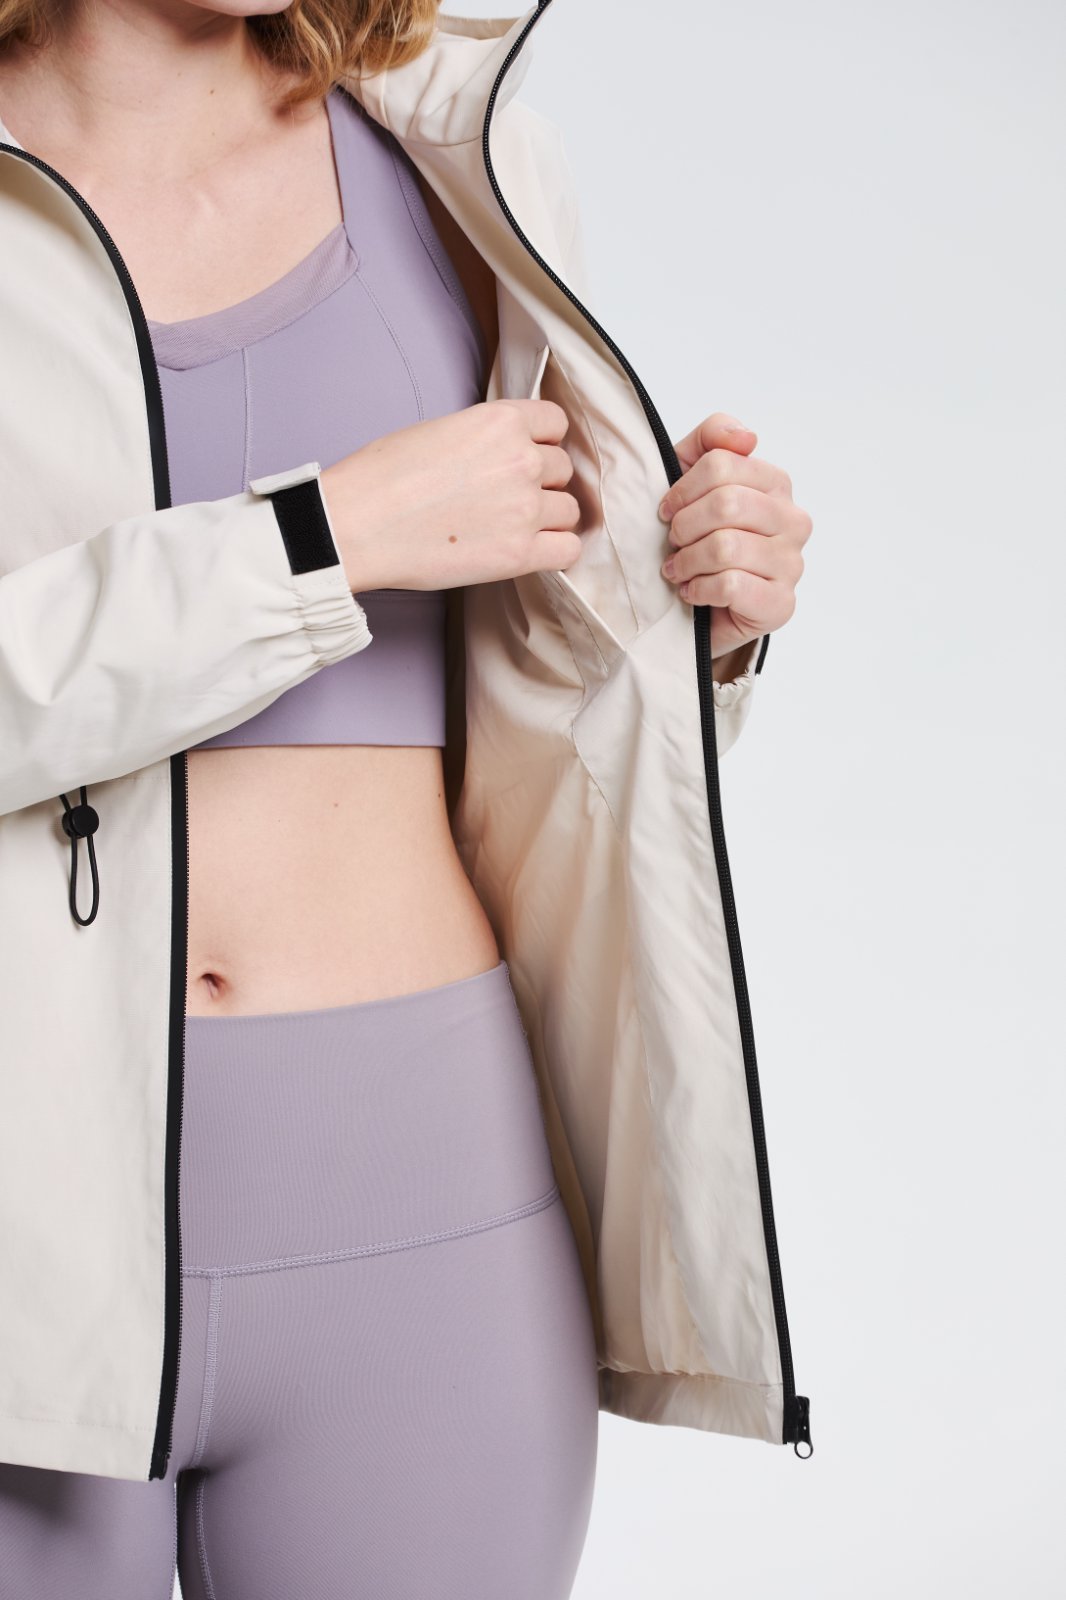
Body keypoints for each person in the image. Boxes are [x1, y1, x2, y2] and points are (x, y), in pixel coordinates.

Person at [0, 0, 813, 1594]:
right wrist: (321, 540)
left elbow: (545, 686)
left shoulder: (451, 149)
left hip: (428, 1199)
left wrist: (697, 618)